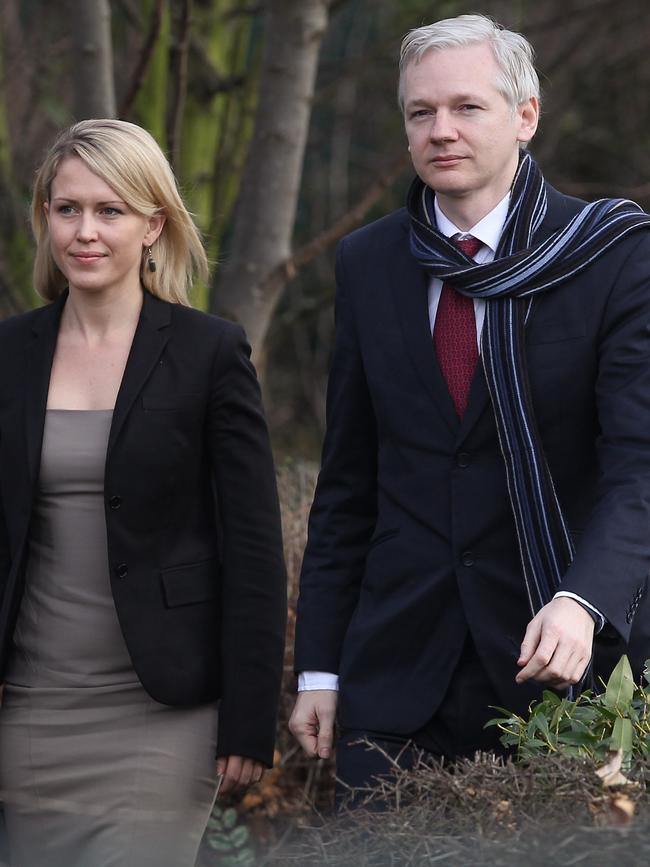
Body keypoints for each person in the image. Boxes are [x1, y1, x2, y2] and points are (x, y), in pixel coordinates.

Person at [289, 13, 650, 802]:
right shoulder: (370, 261)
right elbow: (349, 481)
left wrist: (583, 598)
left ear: (526, 115)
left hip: (558, 672)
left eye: (466, 107)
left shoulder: (612, 252)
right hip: (394, 676)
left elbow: (639, 467)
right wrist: (318, 665)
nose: (440, 130)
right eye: (421, 113)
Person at [0, 118, 287, 866]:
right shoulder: (8, 355)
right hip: (29, 712)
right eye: (67, 210)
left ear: (153, 224)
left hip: (161, 716)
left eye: (109, 210)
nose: (84, 232)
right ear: (45, 219)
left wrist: (249, 723)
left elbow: (254, 551)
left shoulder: (208, 353)